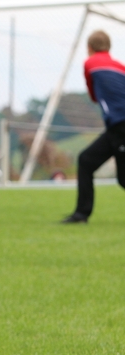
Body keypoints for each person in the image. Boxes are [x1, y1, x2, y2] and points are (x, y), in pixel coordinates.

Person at [62, 30, 125, 224]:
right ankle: (81, 214)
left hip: (121, 126)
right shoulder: (121, 67)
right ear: (109, 47)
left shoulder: (90, 64)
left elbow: (93, 95)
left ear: (89, 48)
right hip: (116, 128)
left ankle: (82, 214)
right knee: (86, 160)